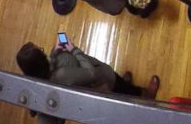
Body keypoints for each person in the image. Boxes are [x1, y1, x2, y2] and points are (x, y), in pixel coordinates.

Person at [17, 39, 158, 98]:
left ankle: (125, 85)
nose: (44, 51)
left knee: (121, 83)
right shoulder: (63, 75)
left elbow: (61, 39)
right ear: (40, 63)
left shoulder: (45, 71)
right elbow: (92, 73)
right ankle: (146, 94)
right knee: (124, 89)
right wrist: (73, 49)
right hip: (102, 78)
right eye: (41, 51)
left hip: (101, 73)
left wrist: (55, 50)